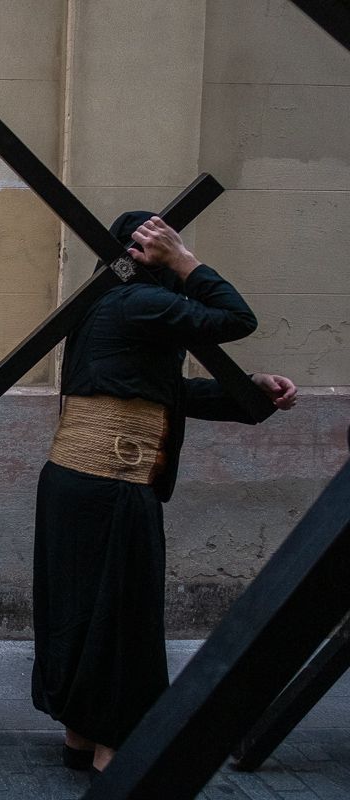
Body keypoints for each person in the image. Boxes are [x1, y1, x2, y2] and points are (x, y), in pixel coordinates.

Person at [30, 211, 297, 776]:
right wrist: (183, 259)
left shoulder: (110, 306)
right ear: (149, 254)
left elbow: (162, 392)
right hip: (114, 486)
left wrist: (246, 392)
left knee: (79, 611)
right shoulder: (140, 302)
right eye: (165, 248)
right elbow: (236, 317)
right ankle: (116, 750)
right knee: (124, 618)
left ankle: (81, 734)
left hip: (73, 484)